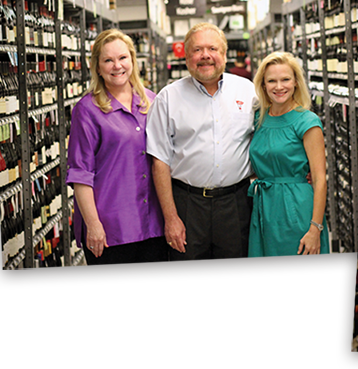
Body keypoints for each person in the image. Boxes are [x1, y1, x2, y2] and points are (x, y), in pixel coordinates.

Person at [146, 23, 258, 261]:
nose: (205, 55)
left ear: (224, 55)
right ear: (186, 57)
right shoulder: (167, 98)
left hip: (236, 204)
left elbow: (266, 138)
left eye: (212, 48)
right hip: (187, 206)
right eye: (197, 50)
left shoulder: (248, 92)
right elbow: (159, 162)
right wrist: (171, 218)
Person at [66, 29, 170, 265]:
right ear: (98, 67)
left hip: (154, 224)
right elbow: (81, 175)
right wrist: (93, 225)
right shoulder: (87, 110)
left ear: (132, 60)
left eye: (122, 58)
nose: (117, 66)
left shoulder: (151, 102)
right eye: (108, 60)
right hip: (110, 230)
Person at [247, 52, 329, 257]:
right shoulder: (259, 118)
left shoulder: (307, 122)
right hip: (264, 207)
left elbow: (320, 179)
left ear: (296, 83)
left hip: (296, 209)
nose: (279, 86)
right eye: (271, 81)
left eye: (285, 79)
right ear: (263, 85)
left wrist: (315, 229)